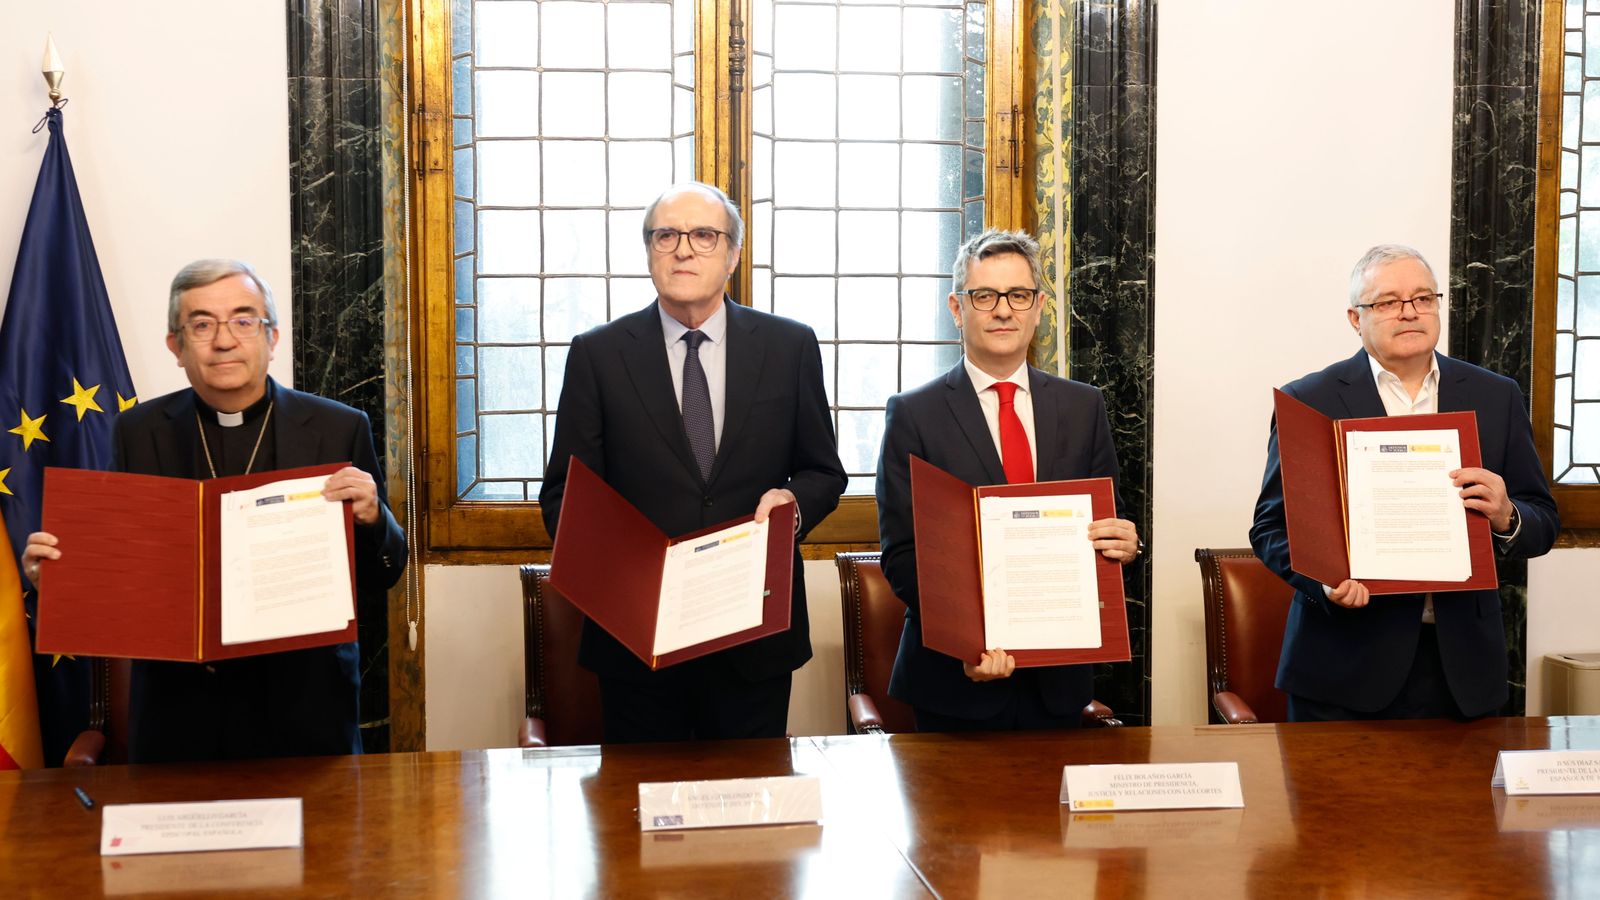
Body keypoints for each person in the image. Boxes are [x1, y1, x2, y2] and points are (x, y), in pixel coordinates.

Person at [23, 259, 406, 762]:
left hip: (305, 712)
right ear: (176, 347)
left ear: (272, 338)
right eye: (201, 324)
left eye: (244, 320)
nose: (224, 340)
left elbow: (384, 574)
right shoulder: (138, 431)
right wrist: (56, 578)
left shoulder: (339, 427)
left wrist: (374, 518)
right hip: (180, 715)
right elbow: (124, 571)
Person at [539, 182, 846, 743]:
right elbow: (564, 496)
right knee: (641, 821)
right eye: (667, 236)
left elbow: (825, 472)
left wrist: (793, 506)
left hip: (753, 635)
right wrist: (619, 578)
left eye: (705, 236)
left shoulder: (790, 347)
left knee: (752, 816)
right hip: (639, 644)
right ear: (649, 251)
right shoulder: (598, 354)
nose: (684, 249)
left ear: (732, 255)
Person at [1250, 244, 1559, 722]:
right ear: (1356, 318)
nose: (1410, 312)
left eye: (1423, 298)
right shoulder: (1310, 399)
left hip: (1463, 671)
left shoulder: (1495, 396)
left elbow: (1543, 521)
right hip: (1343, 666)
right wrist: (1324, 581)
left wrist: (1506, 514)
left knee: (1467, 801)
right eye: (1388, 302)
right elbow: (1271, 528)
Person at [875, 228, 1140, 732]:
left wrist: (1124, 542)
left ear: (1039, 306)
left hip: (1059, 681)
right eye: (985, 296)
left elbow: (1108, 522)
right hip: (955, 681)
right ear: (958, 307)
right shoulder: (915, 414)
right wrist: (967, 640)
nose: (1003, 310)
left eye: (1018, 295)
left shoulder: (1083, 407)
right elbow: (904, 555)